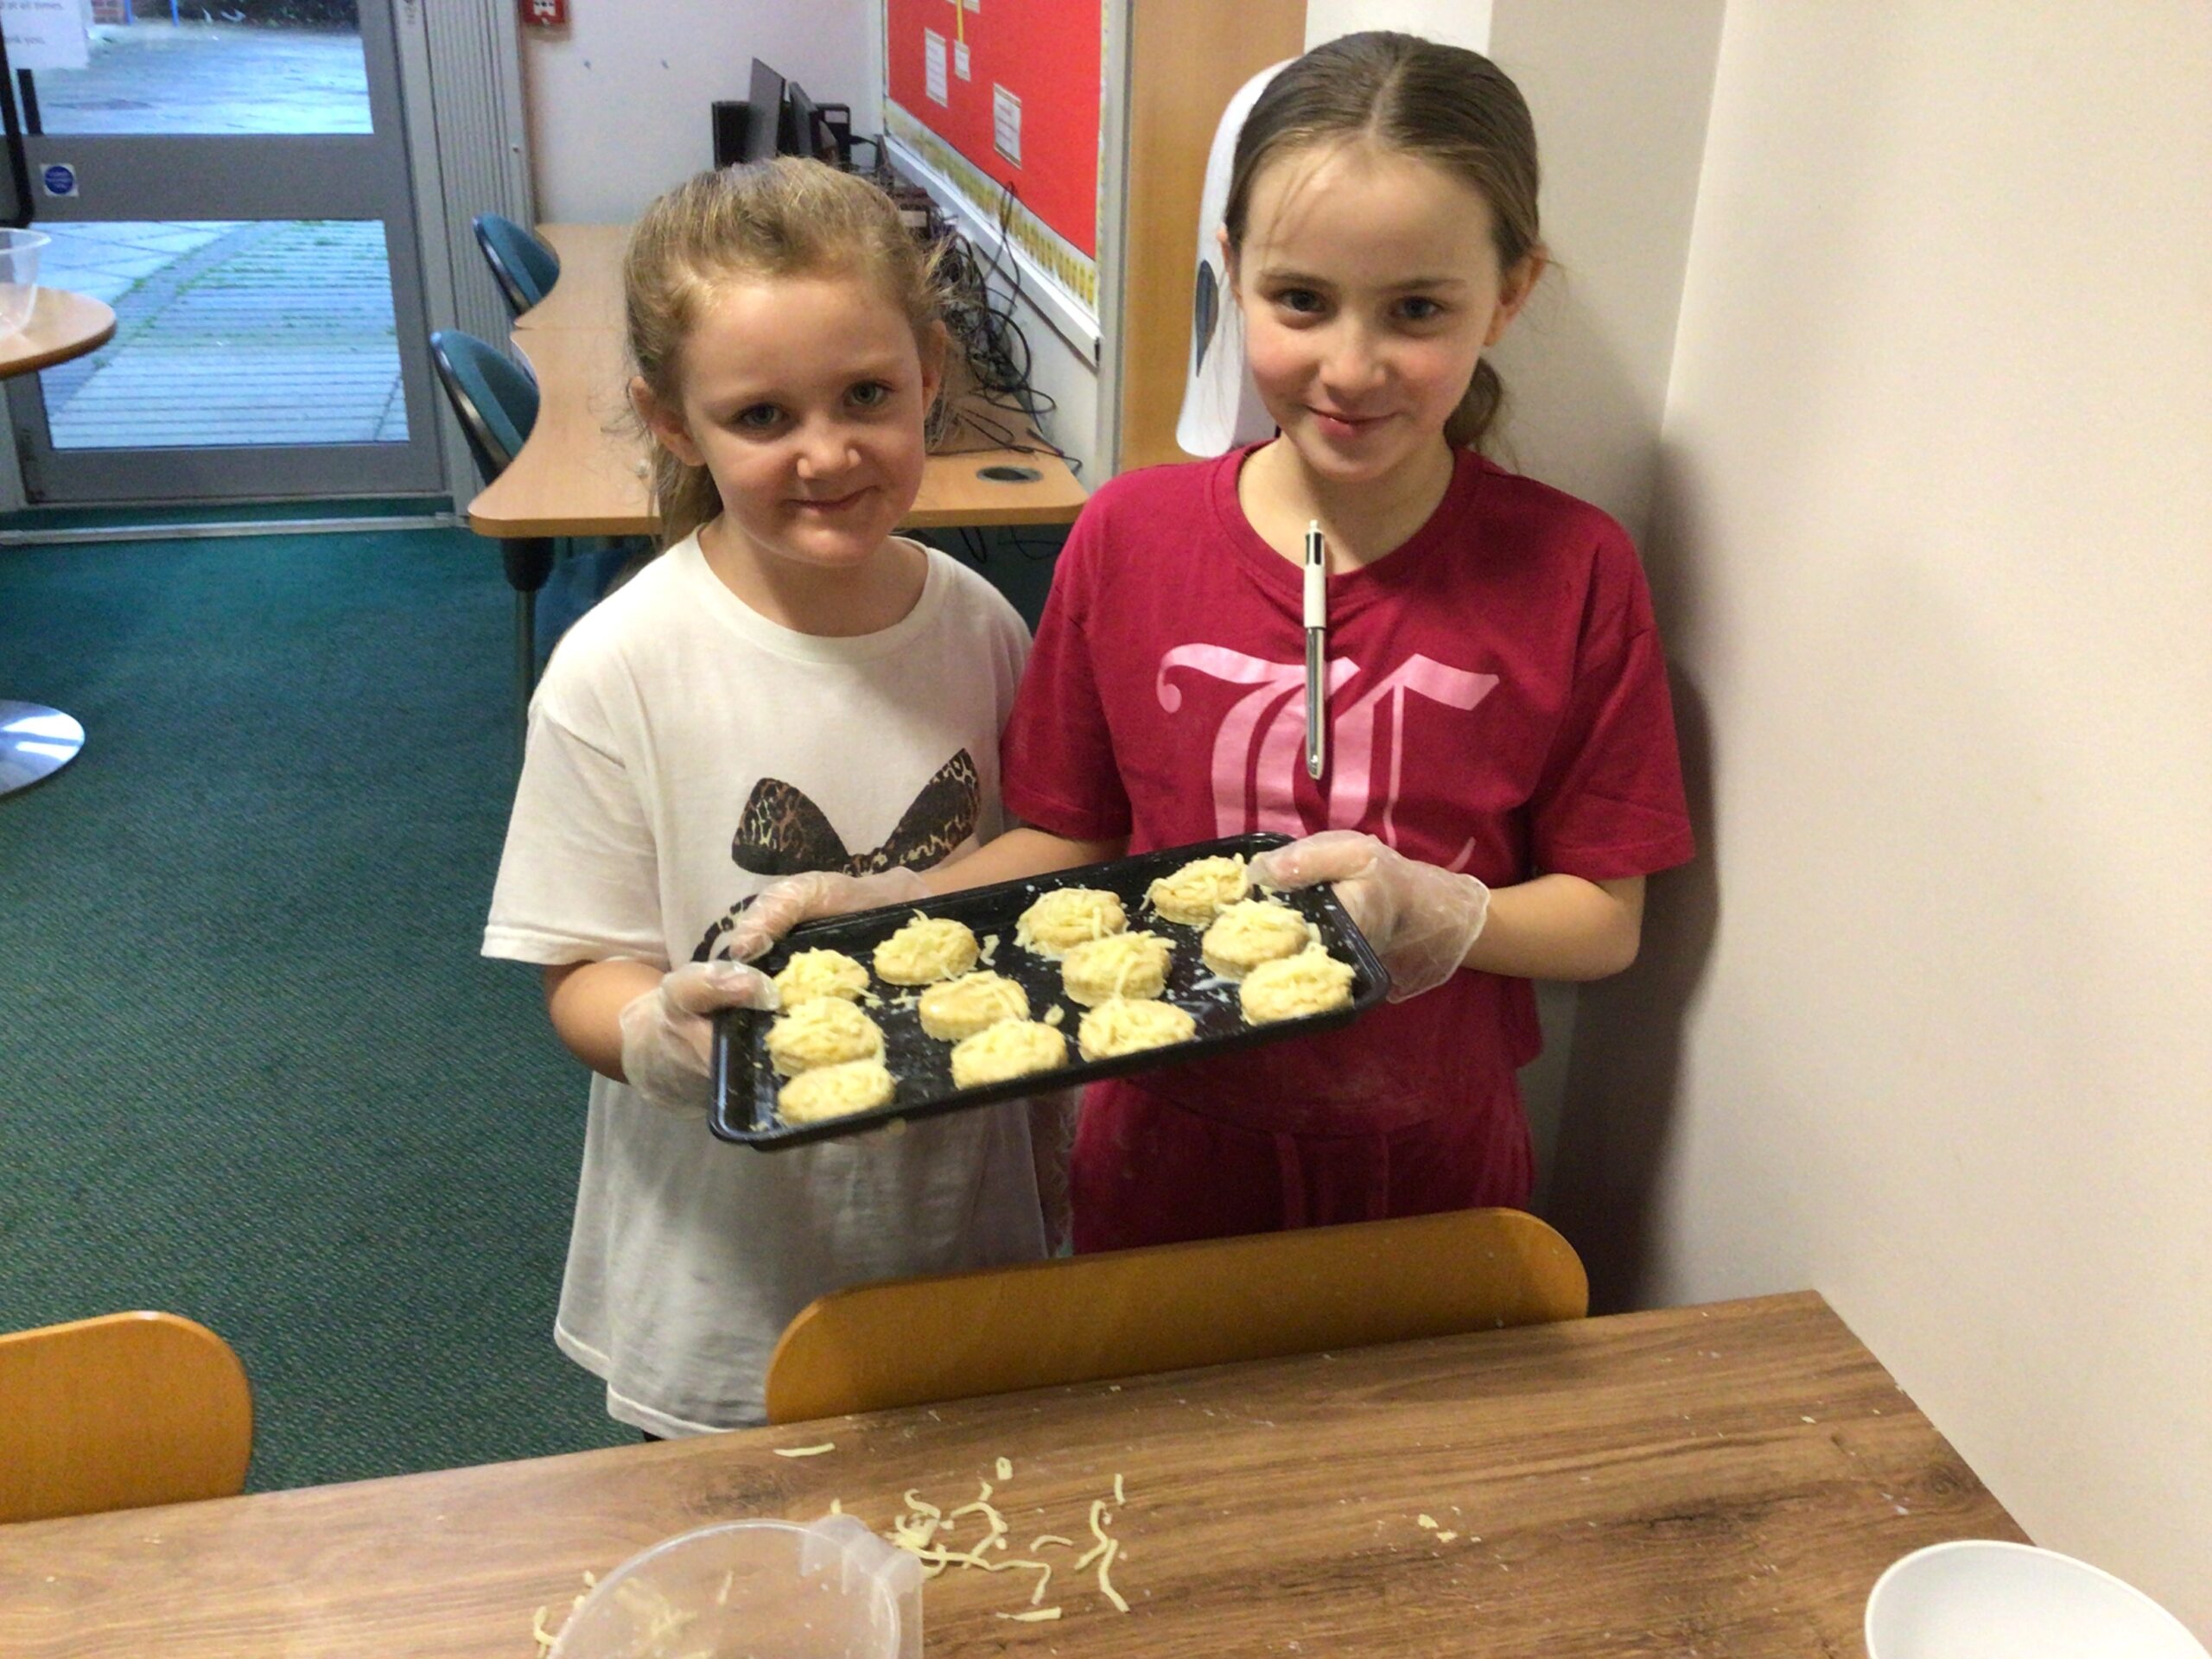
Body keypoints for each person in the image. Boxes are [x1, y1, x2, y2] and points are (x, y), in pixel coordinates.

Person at [736, 32, 1695, 1253]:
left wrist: (1447, 913)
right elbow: (1071, 834)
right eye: (1302, 301)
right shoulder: (1130, 537)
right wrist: (889, 903)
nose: (1351, 367)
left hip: (1435, 1153)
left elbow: (1607, 919)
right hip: (1161, 1137)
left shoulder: (1573, 569)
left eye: (1417, 310)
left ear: (1509, 294)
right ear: (1233, 273)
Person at [482, 158, 1065, 1438]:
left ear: (930, 373)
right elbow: (579, 968)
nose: (828, 452)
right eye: (762, 416)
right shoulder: (620, 666)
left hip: (951, 1202)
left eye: (868, 395)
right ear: (675, 423)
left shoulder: (978, 623)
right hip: (732, 1242)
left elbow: (1028, 855)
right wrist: (659, 1033)